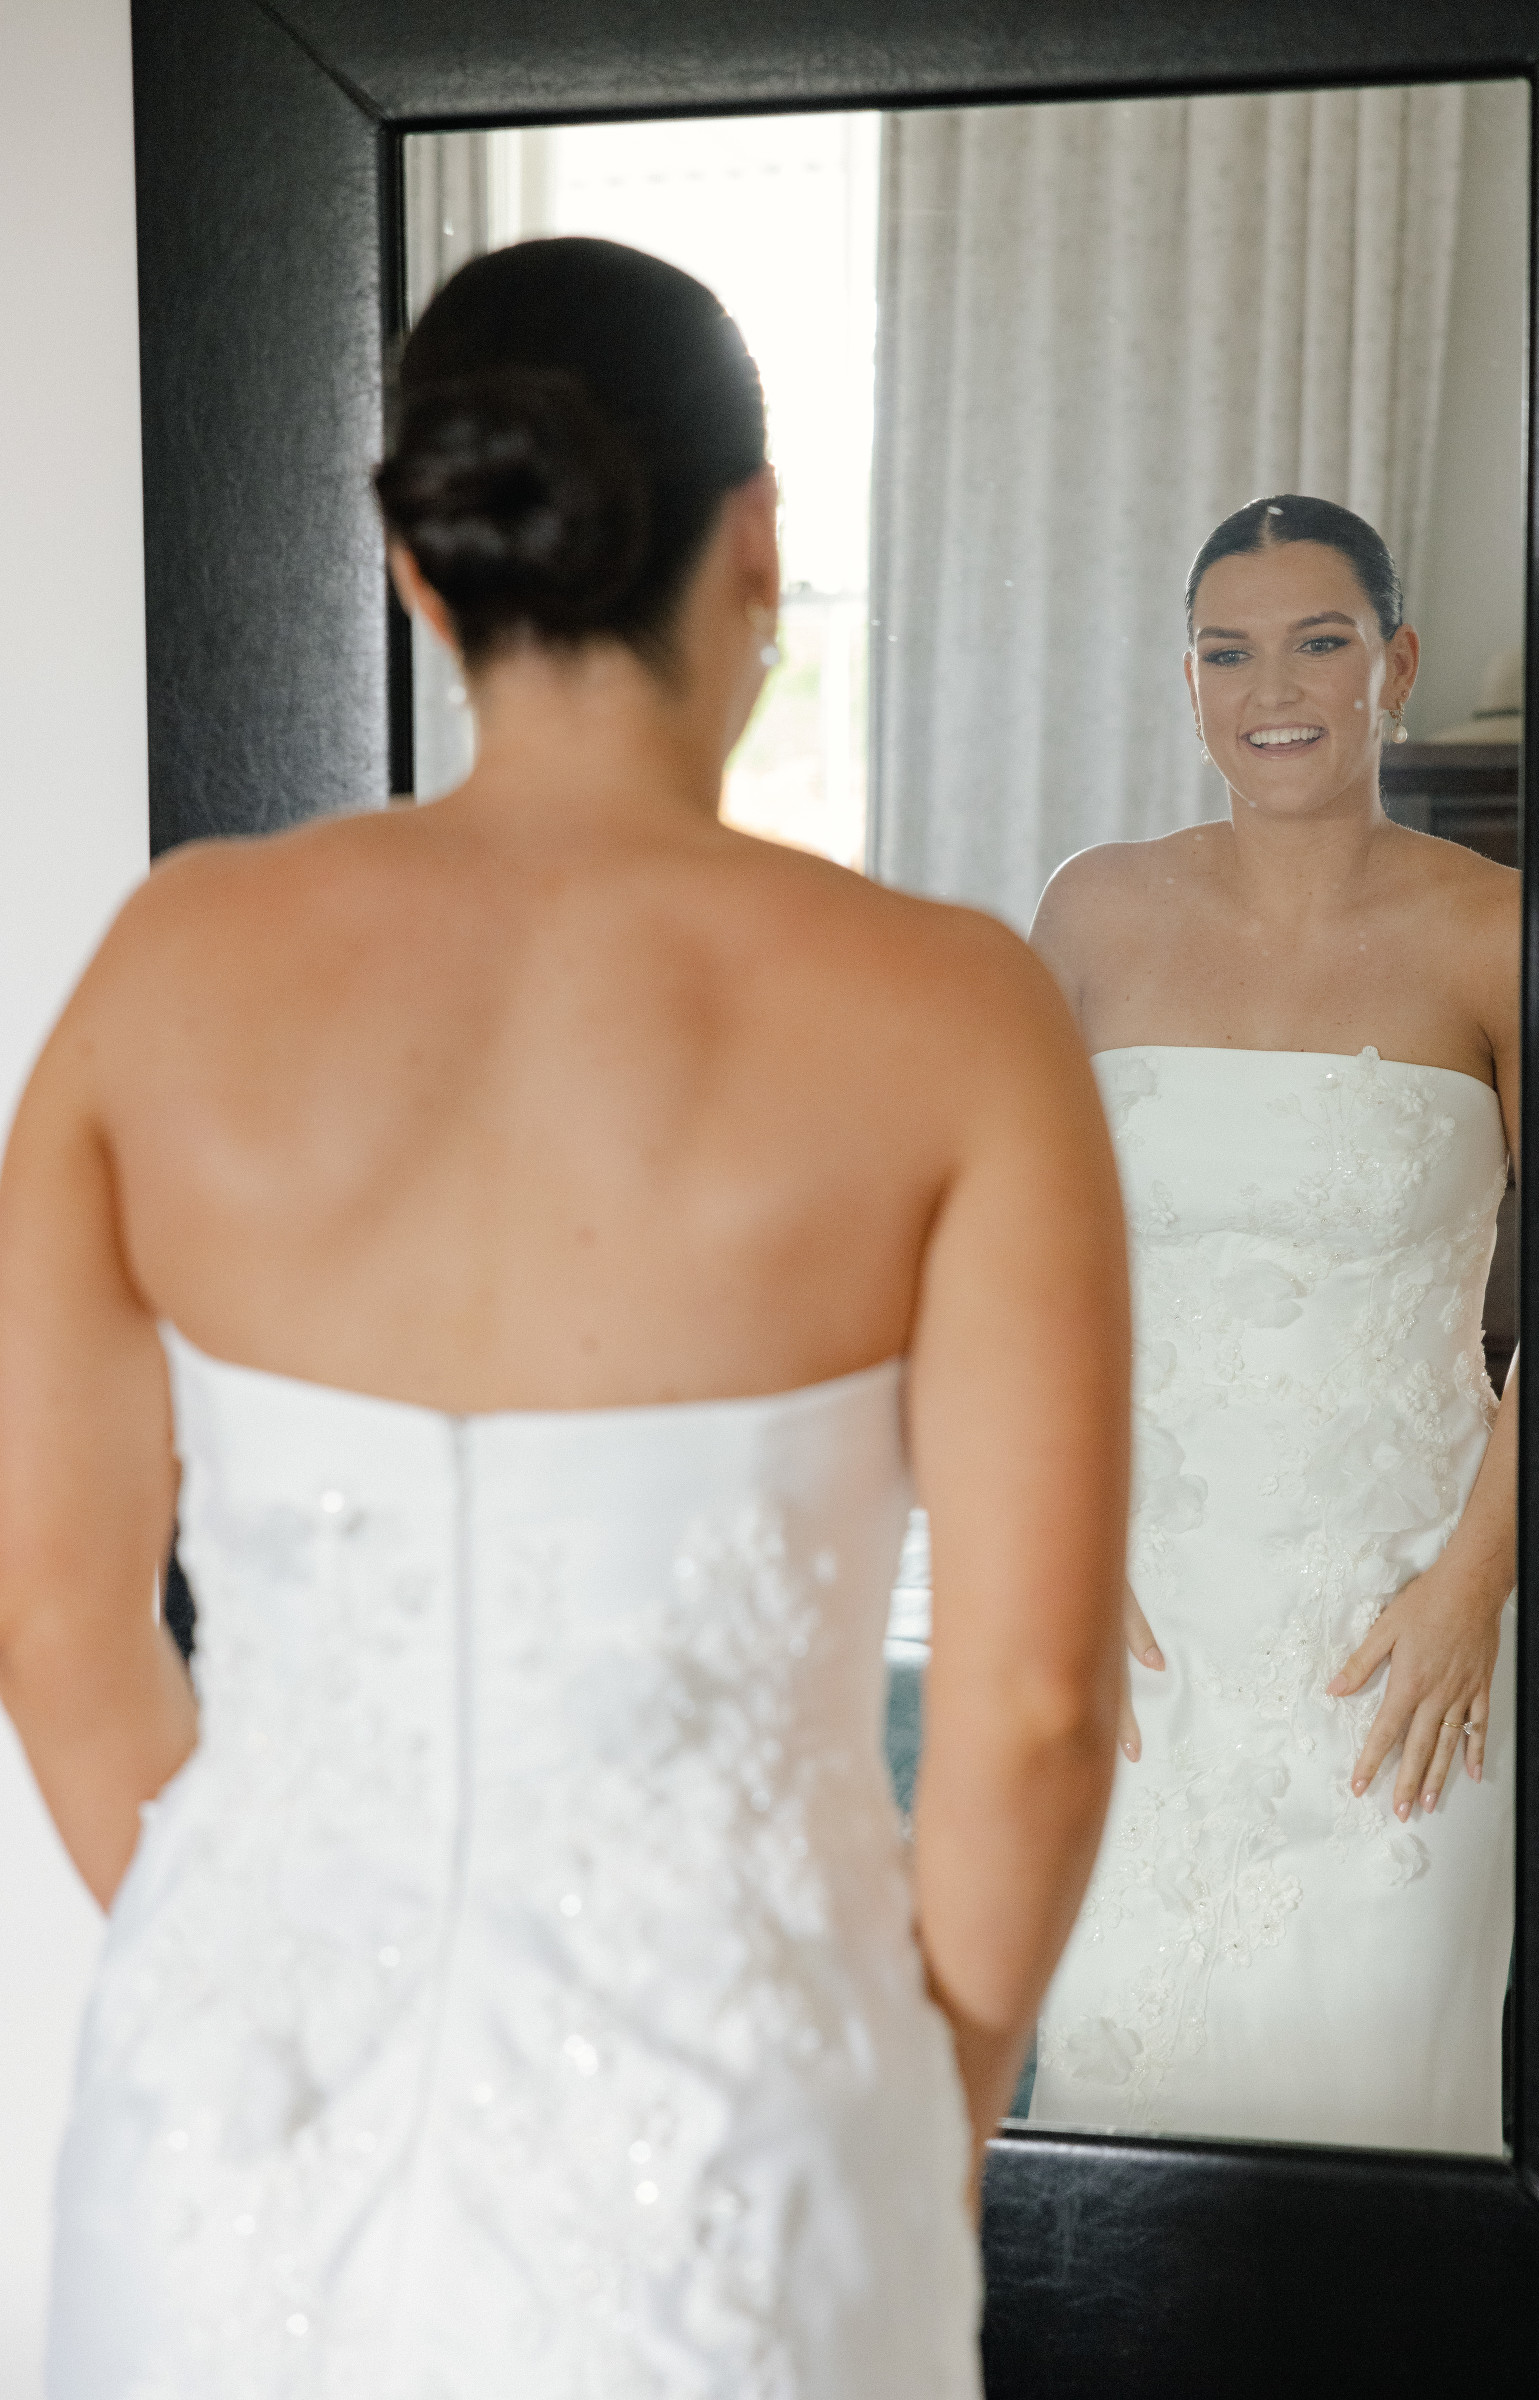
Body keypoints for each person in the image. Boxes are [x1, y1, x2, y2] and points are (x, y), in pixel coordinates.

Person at [0, 236, 1127, 2397]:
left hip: (220, 2159)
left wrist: (241, 1974)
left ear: (421, 572)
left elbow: (58, 1621)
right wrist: (914, 2125)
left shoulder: (169, 967)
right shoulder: (950, 1016)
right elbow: (1036, 1709)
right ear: (758, 544)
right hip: (736, 2179)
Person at [1027, 494, 1518, 2154]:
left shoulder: (1500, 930)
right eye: (1227, 653)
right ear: (1186, 684)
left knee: (1375, 2098)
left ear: (1394, 663)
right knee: (1122, 2095)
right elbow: (1019, 1267)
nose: (1274, 688)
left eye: (1318, 642)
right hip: (1144, 1619)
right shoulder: (1092, 911)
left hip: (1399, 1628)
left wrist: (1470, 1588)